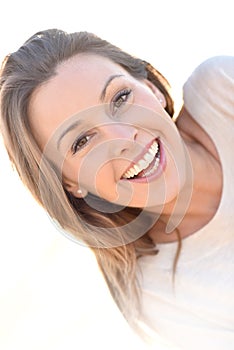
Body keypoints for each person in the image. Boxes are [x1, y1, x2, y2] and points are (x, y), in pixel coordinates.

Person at [0, 28, 233, 349]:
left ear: (152, 89)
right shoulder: (158, 299)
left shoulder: (222, 88)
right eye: (81, 141)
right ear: (70, 184)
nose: (124, 139)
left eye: (121, 99)